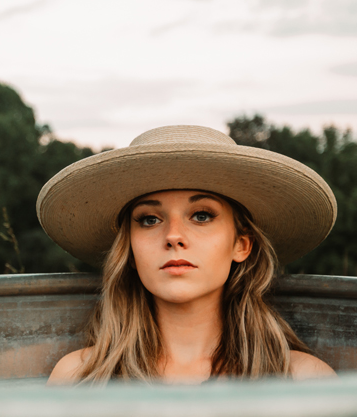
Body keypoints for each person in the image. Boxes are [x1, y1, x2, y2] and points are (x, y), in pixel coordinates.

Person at [39, 125, 338, 384]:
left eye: (202, 216)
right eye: (149, 219)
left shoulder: (303, 379)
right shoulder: (78, 378)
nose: (173, 236)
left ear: (241, 245)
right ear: (129, 250)